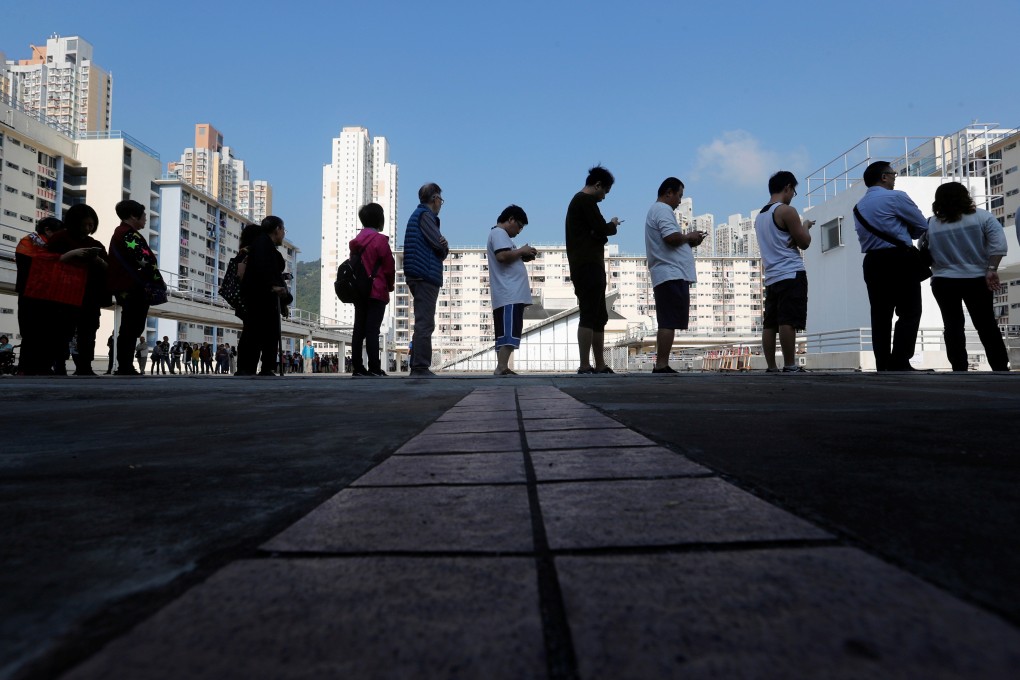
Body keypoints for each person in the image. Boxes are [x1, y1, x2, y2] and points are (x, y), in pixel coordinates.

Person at [920, 182, 1009, 371]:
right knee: (986, 324)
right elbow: (998, 244)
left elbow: (923, 249)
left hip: (943, 280)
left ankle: (959, 367)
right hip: (977, 278)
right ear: (965, 196)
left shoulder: (930, 224)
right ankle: (1000, 367)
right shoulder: (983, 217)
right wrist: (992, 268)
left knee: (952, 325)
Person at [852, 162, 929, 371]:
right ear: (884, 177)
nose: (895, 177)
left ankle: (883, 364)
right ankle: (900, 360)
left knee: (880, 315)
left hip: (873, 262)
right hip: (899, 259)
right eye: (893, 174)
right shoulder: (896, 197)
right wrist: (906, 232)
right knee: (910, 311)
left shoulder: (858, 207)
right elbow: (922, 226)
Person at [753, 171, 814, 373]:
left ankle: (771, 366)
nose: (792, 195)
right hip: (791, 272)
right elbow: (804, 242)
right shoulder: (787, 211)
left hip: (771, 277)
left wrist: (794, 235)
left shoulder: (760, 217)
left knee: (770, 323)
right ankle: (790, 365)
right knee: (788, 320)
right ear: (787, 187)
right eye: (793, 191)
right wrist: (805, 226)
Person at [644, 178, 707, 375]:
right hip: (670, 273)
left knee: (668, 320)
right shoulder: (662, 210)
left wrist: (688, 241)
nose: (680, 200)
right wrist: (689, 236)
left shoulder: (657, 210)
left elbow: (672, 240)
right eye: (679, 195)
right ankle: (661, 364)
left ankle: (662, 363)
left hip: (668, 273)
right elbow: (670, 238)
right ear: (669, 192)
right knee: (668, 321)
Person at [565, 165, 622, 374]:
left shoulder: (578, 202)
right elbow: (602, 229)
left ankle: (599, 364)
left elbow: (596, 231)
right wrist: (613, 225)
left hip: (587, 264)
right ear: (598, 185)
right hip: (588, 264)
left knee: (598, 315)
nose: (604, 197)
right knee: (590, 313)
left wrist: (600, 231)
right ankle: (585, 364)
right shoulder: (585, 201)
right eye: (605, 191)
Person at [47, 204, 110, 376]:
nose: (89, 229)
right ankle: (59, 365)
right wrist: (72, 254)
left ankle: (85, 366)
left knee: (88, 332)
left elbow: (108, 267)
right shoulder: (59, 239)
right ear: (75, 223)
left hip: (89, 295)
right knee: (62, 330)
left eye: (91, 225)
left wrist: (97, 260)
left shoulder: (95, 244)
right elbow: (47, 262)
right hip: (64, 294)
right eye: (85, 224)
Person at [108, 200, 164, 376]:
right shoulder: (128, 234)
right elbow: (146, 261)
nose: (146, 218)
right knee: (131, 327)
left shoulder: (121, 232)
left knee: (129, 326)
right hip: (133, 287)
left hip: (127, 286)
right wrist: (158, 281)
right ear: (133, 215)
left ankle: (125, 365)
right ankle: (125, 366)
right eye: (143, 214)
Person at [402, 183, 449, 378]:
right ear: (434, 198)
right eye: (441, 200)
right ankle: (420, 367)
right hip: (425, 274)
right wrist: (444, 246)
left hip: (419, 273)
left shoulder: (419, 215)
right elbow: (439, 246)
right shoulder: (426, 216)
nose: (441, 204)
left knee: (423, 321)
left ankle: (418, 364)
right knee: (425, 322)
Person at [15, 216, 71, 375]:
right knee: (31, 331)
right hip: (30, 293)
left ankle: (42, 367)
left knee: (46, 332)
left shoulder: (48, 246)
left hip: (46, 293)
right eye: (59, 233)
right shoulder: (29, 242)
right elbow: (40, 262)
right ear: (48, 230)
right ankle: (27, 368)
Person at [237, 216, 292, 376]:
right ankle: (258, 368)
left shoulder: (263, 244)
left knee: (259, 331)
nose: (283, 234)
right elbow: (263, 269)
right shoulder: (263, 245)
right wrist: (273, 287)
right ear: (277, 229)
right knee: (260, 332)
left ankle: (252, 368)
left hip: (260, 294)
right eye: (283, 230)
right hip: (261, 295)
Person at [486, 205, 537, 376]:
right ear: (511, 220)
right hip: (510, 293)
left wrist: (521, 255)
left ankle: (502, 366)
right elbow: (502, 256)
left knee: (505, 332)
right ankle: (501, 367)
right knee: (509, 331)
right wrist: (522, 250)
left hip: (506, 294)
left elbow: (507, 255)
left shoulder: (497, 234)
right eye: (520, 225)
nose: (520, 230)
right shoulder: (500, 234)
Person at [351, 203, 397, 377]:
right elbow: (389, 267)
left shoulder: (356, 242)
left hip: (359, 291)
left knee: (359, 329)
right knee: (372, 330)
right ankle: (374, 368)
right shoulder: (379, 240)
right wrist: (390, 285)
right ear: (380, 219)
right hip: (376, 290)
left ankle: (358, 368)